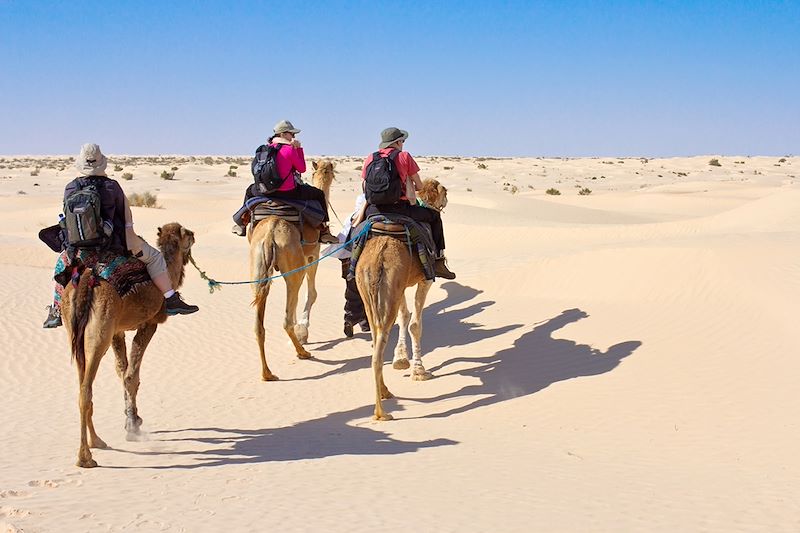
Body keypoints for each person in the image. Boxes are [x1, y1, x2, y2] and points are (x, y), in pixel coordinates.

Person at [43, 143, 198, 328]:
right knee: (155, 258)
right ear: (101, 163)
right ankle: (171, 300)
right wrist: (131, 242)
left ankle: (55, 310)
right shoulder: (112, 187)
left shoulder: (70, 187)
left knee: (60, 266)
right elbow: (126, 221)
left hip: (77, 249)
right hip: (110, 246)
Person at [361, 127, 456, 279]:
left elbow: (365, 184)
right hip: (400, 210)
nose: (403, 144)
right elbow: (419, 186)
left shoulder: (370, 158)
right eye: (402, 141)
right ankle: (438, 260)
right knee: (435, 217)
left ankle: (350, 265)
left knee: (355, 230)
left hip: (374, 210)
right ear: (397, 142)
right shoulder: (404, 156)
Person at [233, 120, 338, 243]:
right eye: (291, 134)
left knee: (249, 190)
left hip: (264, 191)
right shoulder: (290, 150)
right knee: (319, 195)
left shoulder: (264, 150)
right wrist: (298, 149)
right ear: (283, 134)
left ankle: (241, 224)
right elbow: (302, 169)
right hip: (288, 192)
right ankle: (324, 231)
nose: (293, 137)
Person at [322, 193, 370, 337]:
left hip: (348, 257)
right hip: (358, 256)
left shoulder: (352, 216)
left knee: (352, 288)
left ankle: (351, 318)